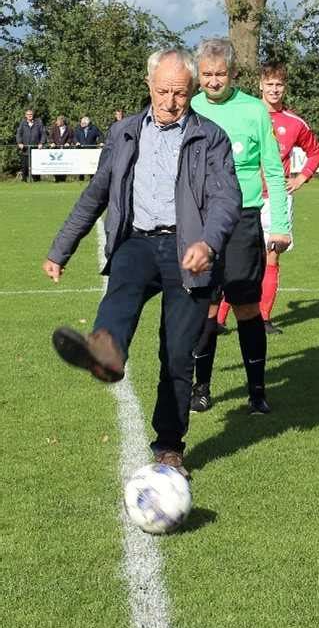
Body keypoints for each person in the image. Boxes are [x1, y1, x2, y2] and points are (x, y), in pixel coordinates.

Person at [42, 48, 241, 478]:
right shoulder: (124, 133)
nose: (170, 102)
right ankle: (105, 351)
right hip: (137, 240)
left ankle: (169, 447)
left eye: (181, 94)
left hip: (189, 250)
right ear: (149, 85)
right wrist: (61, 249)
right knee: (122, 288)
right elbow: (96, 193)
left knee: (176, 354)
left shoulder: (212, 137)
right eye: (163, 91)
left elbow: (228, 200)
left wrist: (208, 243)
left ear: (192, 92)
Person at [190, 38, 290, 416]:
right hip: (200, 220)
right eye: (206, 74)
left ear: (233, 74)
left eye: (220, 74)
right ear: (198, 75)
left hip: (244, 219)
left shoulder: (253, 111)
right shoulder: (190, 107)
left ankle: (257, 392)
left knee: (246, 306)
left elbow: (274, 170)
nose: (213, 81)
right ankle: (201, 388)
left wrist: (279, 223)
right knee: (205, 305)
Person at [217, 60, 319, 334]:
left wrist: (301, 178)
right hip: (244, 197)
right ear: (260, 85)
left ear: (284, 87)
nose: (274, 89)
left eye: (279, 85)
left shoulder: (294, 122)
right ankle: (217, 320)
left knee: (272, 257)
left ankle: (262, 318)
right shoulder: (247, 112)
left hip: (275, 199)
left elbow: (316, 152)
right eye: (270, 84)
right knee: (232, 257)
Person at [16, 108, 46, 182]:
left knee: (36, 165)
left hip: (36, 148)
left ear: (33, 115)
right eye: (28, 114)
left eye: (31, 114)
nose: (30, 116)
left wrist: (41, 143)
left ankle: (37, 180)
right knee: (24, 166)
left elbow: (43, 134)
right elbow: (18, 134)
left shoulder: (38, 123)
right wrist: (19, 143)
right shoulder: (23, 123)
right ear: (25, 115)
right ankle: (24, 180)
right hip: (25, 149)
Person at [73, 115, 104, 180]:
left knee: (91, 166)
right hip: (81, 150)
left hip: (91, 150)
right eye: (81, 122)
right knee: (81, 165)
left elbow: (101, 135)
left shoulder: (94, 128)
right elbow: (74, 137)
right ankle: (81, 178)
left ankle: (92, 179)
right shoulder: (78, 128)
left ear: (87, 124)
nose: (81, 124)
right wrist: (76, 142)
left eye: (83, 123)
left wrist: (101, 142)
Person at [49, 115, 74, 183]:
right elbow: (50, 137)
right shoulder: (53, 128)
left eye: (58, 121)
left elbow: (71, 137)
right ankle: (57, 179)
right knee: (55, 165)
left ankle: (63, 179)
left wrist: (68, 143)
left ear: (62, 121)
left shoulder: (69, 129)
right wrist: (52, 142)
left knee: (64, 165)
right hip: (55, 149)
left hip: (65, 150)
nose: (56, 122)